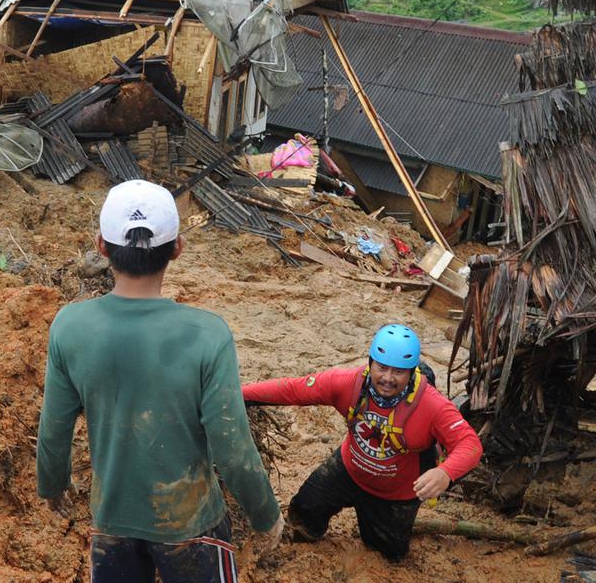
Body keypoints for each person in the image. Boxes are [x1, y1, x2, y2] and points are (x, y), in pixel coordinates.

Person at [36, 179, 284, 583]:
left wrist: (52, 484)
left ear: (101, 247)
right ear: (177, 249)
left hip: (112, 520)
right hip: (191, 525)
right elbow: (233, 446)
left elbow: (54, 429)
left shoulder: (70, 326)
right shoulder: (207, 334)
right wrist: (265, 514)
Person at [242, 324, 483, 561]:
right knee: (303, 515)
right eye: (381, 367)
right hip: (348, 470)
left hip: (395, 494)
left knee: (387, 555)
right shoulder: (348, 383)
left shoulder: (433, 405)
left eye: (398, 372)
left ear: (411, 373)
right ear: (370, 363)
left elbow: (470, 444)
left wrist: (445, 473)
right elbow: (293, 390)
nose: (387, 378)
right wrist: (238, 393)